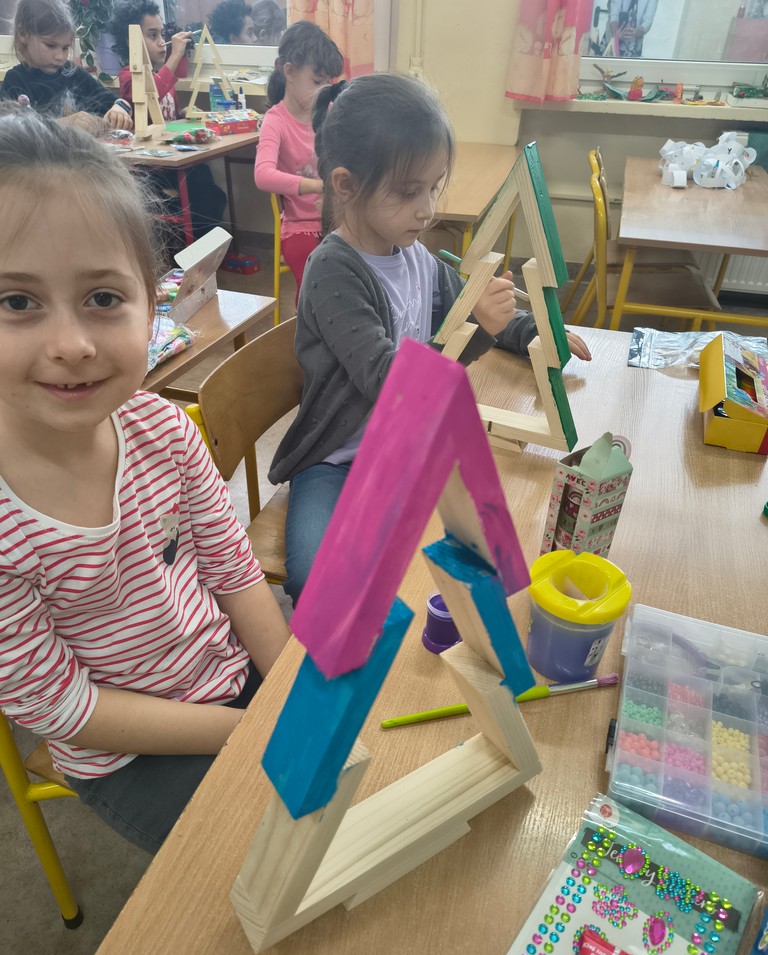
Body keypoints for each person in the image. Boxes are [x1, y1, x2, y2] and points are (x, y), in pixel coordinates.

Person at [0, 108, 290, 854]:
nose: (72, 345)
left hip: (222, 663)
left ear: (152, 304)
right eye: (16, 302)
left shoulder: (160, 427)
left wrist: (288, 690)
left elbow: (232, 570)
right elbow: (63, 708)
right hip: (125, 750)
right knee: (256, 860)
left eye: (103, 298)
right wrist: (247, 730)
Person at [268, 73, 591, 607]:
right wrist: (479, 330)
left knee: (487, 543)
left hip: (404, 450)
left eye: (433, 187)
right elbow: (391, 382)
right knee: (319, 579)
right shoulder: (334, 272)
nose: (427, 209)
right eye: (408, 191)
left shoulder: (414, 254)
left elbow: (468, 303)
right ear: (345, 185)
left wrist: (534, 331)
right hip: (337, 463)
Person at [110, 0, 227, 242]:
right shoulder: (128, 76)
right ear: (131, 41)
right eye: (152, 35)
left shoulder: (161, 74)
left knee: (212, 191)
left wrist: (183, 116)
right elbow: (151, 94)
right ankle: (189, 250)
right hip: (147, 168)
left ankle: (207, 249)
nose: (161, 42)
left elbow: (165, 118)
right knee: (199, 193)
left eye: (162, 34)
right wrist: (175, 56)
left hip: (173, 159)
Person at [253, 21, 343, 295]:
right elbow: (262, 175)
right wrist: (318, 186)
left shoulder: (330, 111)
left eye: (328, 82)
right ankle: (310, 320)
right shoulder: (275, 121)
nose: (324, 89)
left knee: (355, 270)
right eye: (317, 82)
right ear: (289, 71)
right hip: (300, 226)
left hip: (337, 219)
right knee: (317, 285)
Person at [0, 0, 132, 131]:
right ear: (23, 35)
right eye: (50, 45)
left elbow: (115, 102)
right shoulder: (16, 80)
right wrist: (63, 124)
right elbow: (14, 131)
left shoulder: (73, 73)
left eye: (65, 48)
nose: (60, 57)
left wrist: (119, 108)